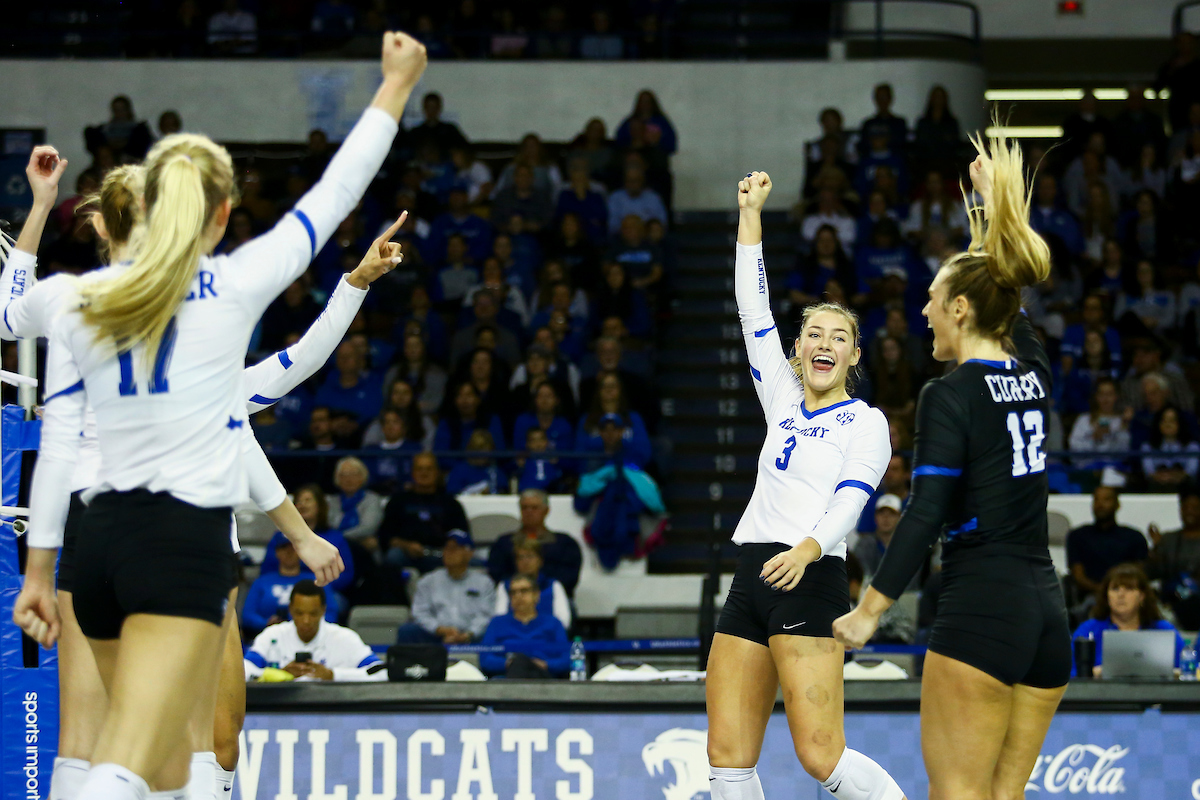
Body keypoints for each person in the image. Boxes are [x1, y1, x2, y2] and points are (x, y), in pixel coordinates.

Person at [13, 32, 424, 800]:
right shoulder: (230, 288)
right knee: (139, 755)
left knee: (133, 756)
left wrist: (36, 212)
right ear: (219, 213)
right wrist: (395, 86)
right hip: (180, 539)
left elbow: (13, 321)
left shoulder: (77, 300)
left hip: (91, 536)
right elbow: (334, 194)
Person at [833, 129, 1070, 800]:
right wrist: (994, 212)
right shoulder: (1032, 370)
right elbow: (1006, 297)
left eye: (934, 299)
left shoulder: (950, 392)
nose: (925, 309)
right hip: (1045, 613)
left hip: (981, 610)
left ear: (960, 309)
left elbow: (926, 510)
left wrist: (870, 611)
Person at [706, 171, 904, 800]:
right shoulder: (782, 398)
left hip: (811, 573)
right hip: (752, 571)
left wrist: (809, 549)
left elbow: (853, 499)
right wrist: (751, 217)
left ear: (853, 357)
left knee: (820, 754)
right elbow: (751, 307)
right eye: (814, 334)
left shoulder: (866, 422)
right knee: (728, 756)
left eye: (838, 336)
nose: (824, 343)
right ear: (797, 351)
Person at [244, 581, 386, 682]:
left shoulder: (344, 638)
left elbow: (381, 672)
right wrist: (279, 674)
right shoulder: (272, 635)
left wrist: (333, 675)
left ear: (323, 611)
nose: (306, 620)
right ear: (291, 610)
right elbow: (243, 671)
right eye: (299, 613)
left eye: (313, 613)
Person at [1071, 564, 1184, 677]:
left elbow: (1188, 671)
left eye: (1129, 589)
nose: (1121, 594)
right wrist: (1092, 675)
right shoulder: (1088, 630)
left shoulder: (1164, 630)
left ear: (1141, 596)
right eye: (1115, 589)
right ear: (1107, 596)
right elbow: (1068, 675)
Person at [396, 529, 496, 645]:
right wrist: (439, 629)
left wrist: (469, 634)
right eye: (446, 548)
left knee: (492, 631)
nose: (449, 552)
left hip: (471, 635)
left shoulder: (484, 582)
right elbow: (420, 612)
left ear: (469, 553)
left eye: (454, 548)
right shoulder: (428, 581)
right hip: (436, 634)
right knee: (407, 630)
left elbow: (485, 615)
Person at [378, 452, 470, 573]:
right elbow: (385, 535)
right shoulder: (398, 501)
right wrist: (406, 545)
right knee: (393, 556)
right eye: (419, 469)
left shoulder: (451, 503)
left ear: (437, 472)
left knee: (474, 563)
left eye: (429, 469)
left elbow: (462, 535)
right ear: (412, 473)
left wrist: (450, 547)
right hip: (407, 555)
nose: (424, 473)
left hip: (441, 556)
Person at [488, 489, 583, 595]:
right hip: (513, 596)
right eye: (524, 508)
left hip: (554, 595)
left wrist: (539, 588)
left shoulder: (565, 543)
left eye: (534, 508)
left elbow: (569, 578)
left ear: (546, 511)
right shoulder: (504, 543)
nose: (529, 512)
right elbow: (496, 575)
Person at [241, 540, 339, 639]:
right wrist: (266, 623)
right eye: (284, 548)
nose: (289, 552)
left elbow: (330, 613)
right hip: (269, 636)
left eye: (294, 548)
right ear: (277, 552)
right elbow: (248, 615)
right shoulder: (261, 581)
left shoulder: (317, 580)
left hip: (312, 636)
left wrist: (307, 622)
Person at [1066, 487, 1148, 604]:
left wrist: (1119, 593)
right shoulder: (1078, 536)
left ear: (1117, 505)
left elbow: (1139, 573)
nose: (1100, 505)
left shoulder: (1134, 537)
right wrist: (1103, 591)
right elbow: (1078, 576)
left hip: (1128, 597)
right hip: (1091, 597)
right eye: (1097, 500)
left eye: (1106, 499)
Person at [479, 574, 571, 679]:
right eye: (513, 593)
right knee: (519, 662)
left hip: (543, 675)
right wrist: (509, 663)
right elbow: (485, 659)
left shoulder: (553, 623)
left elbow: (566, 659)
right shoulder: (497, 623)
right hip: (507, 674)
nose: (518, 596)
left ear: (536, 595)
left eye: (524, 591)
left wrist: (545, 664)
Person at [1147, 489, 1200, 630]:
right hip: (1170, 600)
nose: (1189, 512)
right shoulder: (1168, 539)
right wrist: (1156, 548)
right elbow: (1153, 573)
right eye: (1185, 508)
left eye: (1195, 508)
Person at [494, 538, 572, 630]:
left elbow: (564, 621)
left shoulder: (554, 585)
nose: (525, 562)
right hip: (513, 637)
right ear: (515, 562)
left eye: (530, 556)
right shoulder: (505, 586)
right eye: (521, 557)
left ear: (540, 561)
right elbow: (499, 619)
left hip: (546, 638)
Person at [327, 456, 385, 544]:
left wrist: (339, 537)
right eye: (344, 475)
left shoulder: (372, 499)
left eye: (353, 474)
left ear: (363, 477)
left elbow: (368, 528)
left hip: (358, 547)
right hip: (335, 545)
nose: (348, 479)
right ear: (337, 478)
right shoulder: (330, 501)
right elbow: (328, 526)